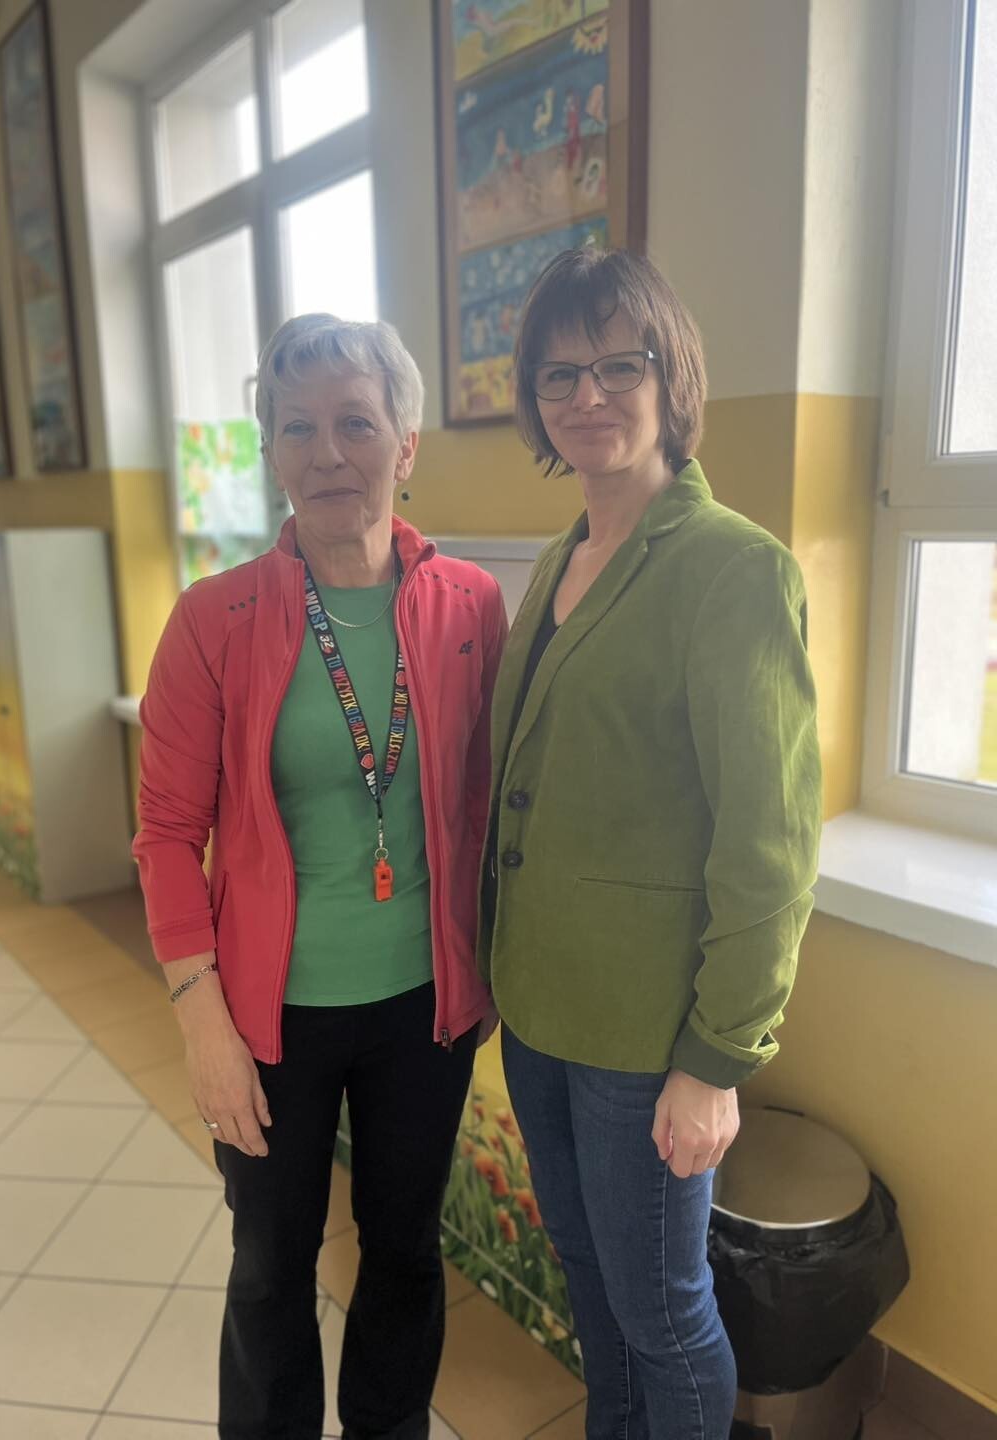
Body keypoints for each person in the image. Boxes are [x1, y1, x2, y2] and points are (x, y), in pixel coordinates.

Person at [134, 313, 508, 1440]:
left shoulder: (470, 606)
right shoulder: (215, 619)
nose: (327, 452)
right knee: (269, 1262)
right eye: (296, 428)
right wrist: (200, 1016)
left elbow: (491, 801)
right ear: (270, 453)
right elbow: (165, 833)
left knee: (404, 1252)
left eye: (356, 422)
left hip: (423, 1009)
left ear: (407, 444)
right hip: (266, 1017)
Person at [478, 248, 822, 1440]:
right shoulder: (557, 563)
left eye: (618, 365)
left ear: (671, 377)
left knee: (664, 1312)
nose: (588, 395)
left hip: (648, 1037)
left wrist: (717, 1060)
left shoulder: (736, 570)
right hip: (542, 1009)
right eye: (558, 373)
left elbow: (770, 848)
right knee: (589, 1275)